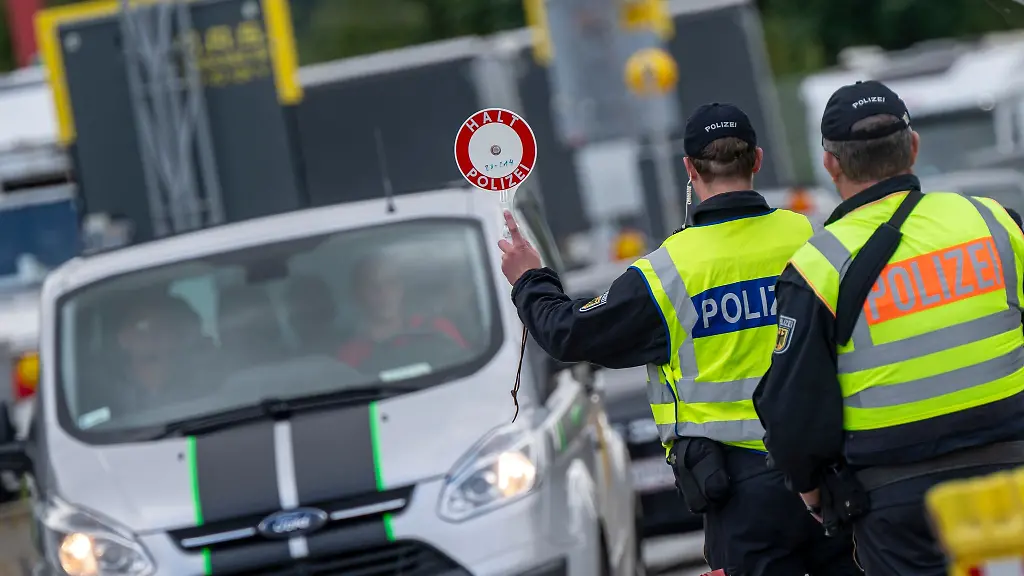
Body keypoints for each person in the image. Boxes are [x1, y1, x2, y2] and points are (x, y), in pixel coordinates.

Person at [499, 103, 861, 576]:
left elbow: (566, 333)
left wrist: (529, 279)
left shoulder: (667, 273)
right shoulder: (811, 236)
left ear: (689, 169)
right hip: (830, 472)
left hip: (740, 497)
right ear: (757, 159)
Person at [753, 80, 1024, 576]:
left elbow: (795, 406)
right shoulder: (994, 223)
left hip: (898, 498)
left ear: (830, 163)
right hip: (1013, 472)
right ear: (913, 147)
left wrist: (812, 491)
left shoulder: (818, 266)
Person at [337, 254, 467, 369]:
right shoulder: (350, 355)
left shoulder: (437, 329)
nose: (383, 293)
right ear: (359, 294)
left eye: (390, 283)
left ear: (401, 288)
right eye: (372, 286)